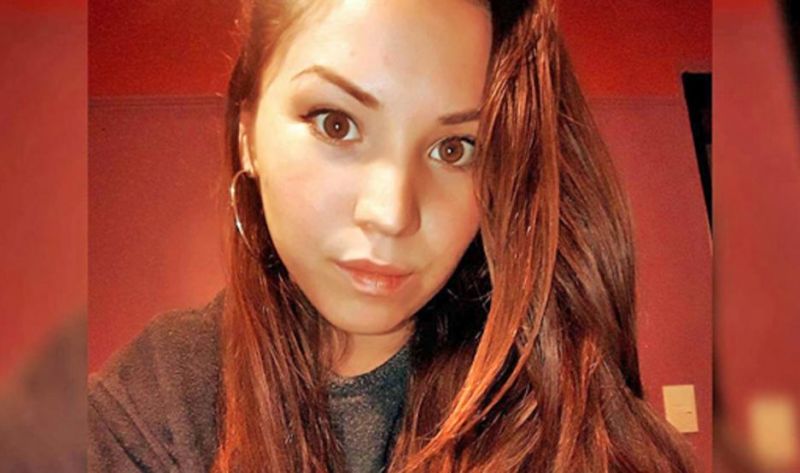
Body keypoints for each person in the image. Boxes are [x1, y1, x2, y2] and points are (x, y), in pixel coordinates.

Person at [89, 0, 697, 471]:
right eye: (336, 124)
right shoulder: (162, 394)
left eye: (454, 148)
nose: (391, 214)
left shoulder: (565, 405)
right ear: (247, 133)